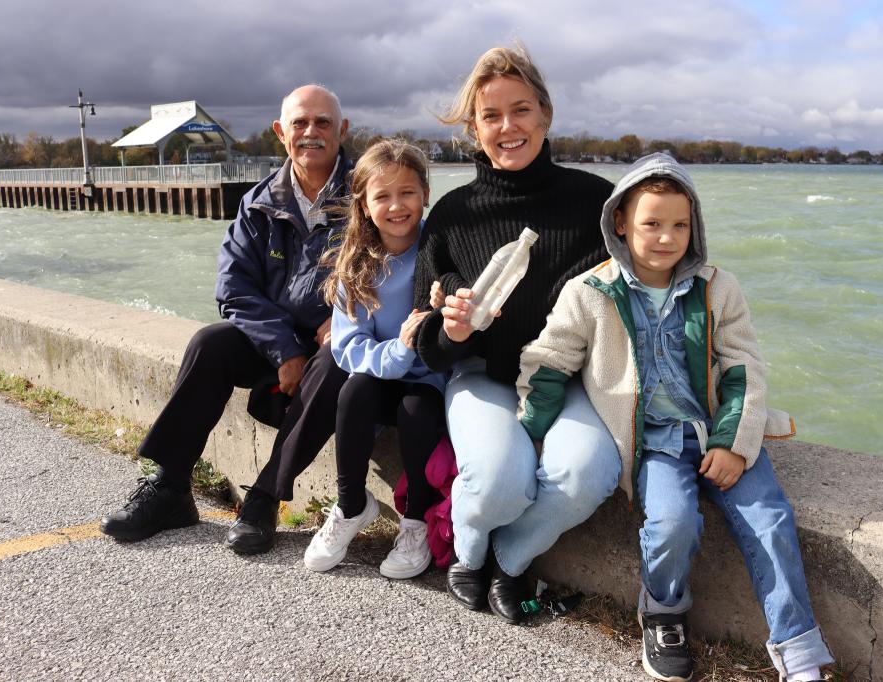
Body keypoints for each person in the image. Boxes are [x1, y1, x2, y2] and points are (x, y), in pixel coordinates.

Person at [516, 153, 834, 681]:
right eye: (652, 223)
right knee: (672, 524)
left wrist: (733, 442)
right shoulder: (590, 292)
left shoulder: (718, 287)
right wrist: (527, 434)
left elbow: (743, 367)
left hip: (716, 430)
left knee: (771, 520)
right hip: (654, 443)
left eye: (680, 225)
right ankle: (662, 613)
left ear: (695, 225)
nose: (667, 237)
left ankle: (798, 651)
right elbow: (550, 363)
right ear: (620, 222)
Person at [413, 45, 620, 625]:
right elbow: (425, 341)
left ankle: (510, 557)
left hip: (571, 376)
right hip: (486, 374)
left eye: (521, 110)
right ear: (474, 130)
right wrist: (452, 330)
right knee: (502, 481)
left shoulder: (598, 203)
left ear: (545, 116)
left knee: (585, 473)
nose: (509, 127)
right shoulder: (453, 214)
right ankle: (467, 551)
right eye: (491, 116)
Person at [100, 84, 354, 555]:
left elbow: (396, 261)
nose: (311, 132)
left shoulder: (367, 194)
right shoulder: (258, 203)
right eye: (300, 123)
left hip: (338, 342)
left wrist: (347, 314)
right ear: (281, 133)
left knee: (335, 358)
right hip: (277, 341)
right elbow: (233, 289)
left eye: (323, 122)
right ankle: (171, 485)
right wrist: (286, 349)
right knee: (209, 344)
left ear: (342, 130)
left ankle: (264, 498)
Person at [302, 139, 445, 580]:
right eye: (382, 196)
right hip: (384, 370)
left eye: (407, 193)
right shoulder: (358, 263)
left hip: (431, 380)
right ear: (363, 204)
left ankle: (416, 521)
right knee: (354, 390)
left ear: (425, 194)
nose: (396, 206)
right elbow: (347, 347)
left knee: (416, 408)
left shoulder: (439, 250)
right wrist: (398, 351)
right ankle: (351, 506)